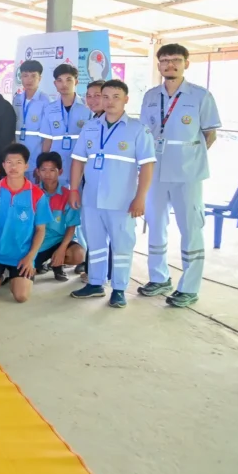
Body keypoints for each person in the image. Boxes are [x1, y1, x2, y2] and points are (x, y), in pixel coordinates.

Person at [138, 44, 220, 307]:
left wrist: (189, 159)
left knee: (191, 228)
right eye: (164, 60)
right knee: (155, 225)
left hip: (187, 174)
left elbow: (210, 134)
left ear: (186, 63)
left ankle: (189, 288)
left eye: (175, 60)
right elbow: (145, 133)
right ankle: (159, 277)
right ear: (159, 65)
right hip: (156, 171)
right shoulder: (151, 96)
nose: (169, 65)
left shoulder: (200, 95)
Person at [69, 80, 156, 308]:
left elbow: (147, 166)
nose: (109, 102)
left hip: (122, 201)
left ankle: (119, 289)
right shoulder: (90, 127)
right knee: (95, 243)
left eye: (116, 97)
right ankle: (95, 283)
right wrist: (74, 190)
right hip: (92, 199)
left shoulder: (138, 129)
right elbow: (78, 160)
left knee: (121, 246)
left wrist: (141, 197)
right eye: (105, 96)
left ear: (126, 99)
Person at [0, 144, 51, 304]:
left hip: (22, 255)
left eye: (18, 162)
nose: (13, 167)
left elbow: (41, 230)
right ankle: (3, 276)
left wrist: (30, 257)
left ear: (26, 166)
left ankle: (11, 276)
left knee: (21, 296)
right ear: (3, 165)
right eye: (9, 163)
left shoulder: (37, 194)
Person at [40, 64, 92, 185]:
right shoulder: (49, 109)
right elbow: (47, 140)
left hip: (81, 162)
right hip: (57, 164)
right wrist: (43, 163)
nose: (64, 84)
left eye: (69, 80)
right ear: (55, 84)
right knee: (57, 194)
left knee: (78, 193)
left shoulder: (87, 108)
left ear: (76, 82)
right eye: (60, 80)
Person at [36, 152, 85, 282]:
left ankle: (57, 265)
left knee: (78, 254)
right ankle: (39, 264)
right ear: (37, 172)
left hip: (58, 240)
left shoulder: (68, 196)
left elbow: (71, 226)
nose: (47, 174)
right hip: (36, 242)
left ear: (60, 171)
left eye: (52, 170)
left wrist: (62, 249)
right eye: (43, 170)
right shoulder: (31, 193)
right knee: (23, 279)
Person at [13, 59, 48, 177]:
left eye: (33, 76)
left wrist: (42, 162)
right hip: (18, 157)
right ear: (21, 78)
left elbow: (47, 136)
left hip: (36, 157)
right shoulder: (17, 99)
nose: (29, 80)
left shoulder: (46, 101)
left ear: (40, 78)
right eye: (25, 76)